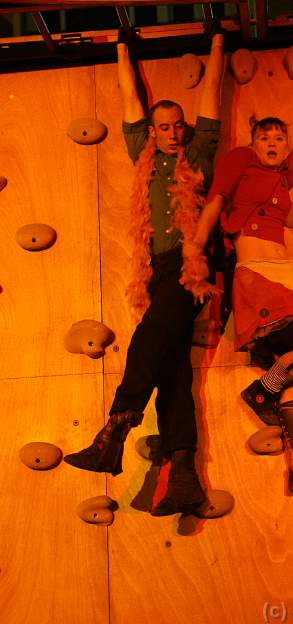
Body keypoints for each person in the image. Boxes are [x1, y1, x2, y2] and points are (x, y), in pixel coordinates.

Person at [64, 28, 225, 516]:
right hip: (155, 269)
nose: (172, 133)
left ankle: (114, 429)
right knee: (173, 368)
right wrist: (120, 47)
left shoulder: (199, 154)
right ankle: (184, 476)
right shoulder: (143, 157)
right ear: (152, 133)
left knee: (146, 340)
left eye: (178, 125)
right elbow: (129, 98)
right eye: (164, 127)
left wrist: (218, 43)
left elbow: (211, 94)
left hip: (190, 265)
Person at [182, 98, 293, 495]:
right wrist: (196, 244)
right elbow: (216, 199)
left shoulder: (282, 177)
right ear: (254, 142)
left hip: (288, 279)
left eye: (279, 138)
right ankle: (261, 390)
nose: (273, 144)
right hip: (259, 277)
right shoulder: (241, 161)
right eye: (265, 138)